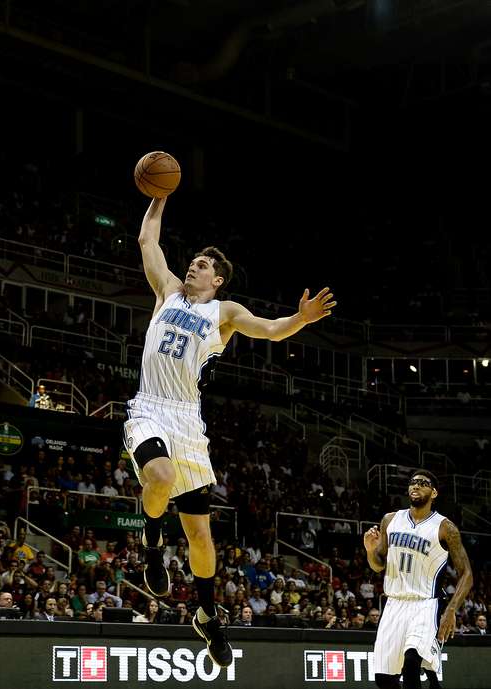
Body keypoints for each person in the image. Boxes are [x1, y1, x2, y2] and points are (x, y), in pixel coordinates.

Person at [125, 196, 336, 667]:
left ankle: (206, 614)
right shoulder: (165, 291)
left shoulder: (224, 312)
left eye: (202, 265)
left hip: (187, 420)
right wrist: (159, 197)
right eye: (193, 262)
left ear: (216, 280)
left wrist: (300, 318)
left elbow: (270, 330)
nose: (192, 266)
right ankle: (153, 545)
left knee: (201, 537)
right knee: (158, 477)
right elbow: (146, 239)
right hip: (149, 408)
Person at [363, 470, 473, 689]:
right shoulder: (390, 520)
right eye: (413, 482)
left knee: (412, 662)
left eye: (423, 483)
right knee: (383, 678)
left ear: (434, 493)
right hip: (394, 603)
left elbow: (467, 575)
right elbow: (378, 565)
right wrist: (369, 550)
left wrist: (451, 610)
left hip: (424, 604)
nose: (416, 486)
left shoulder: (445, 527)